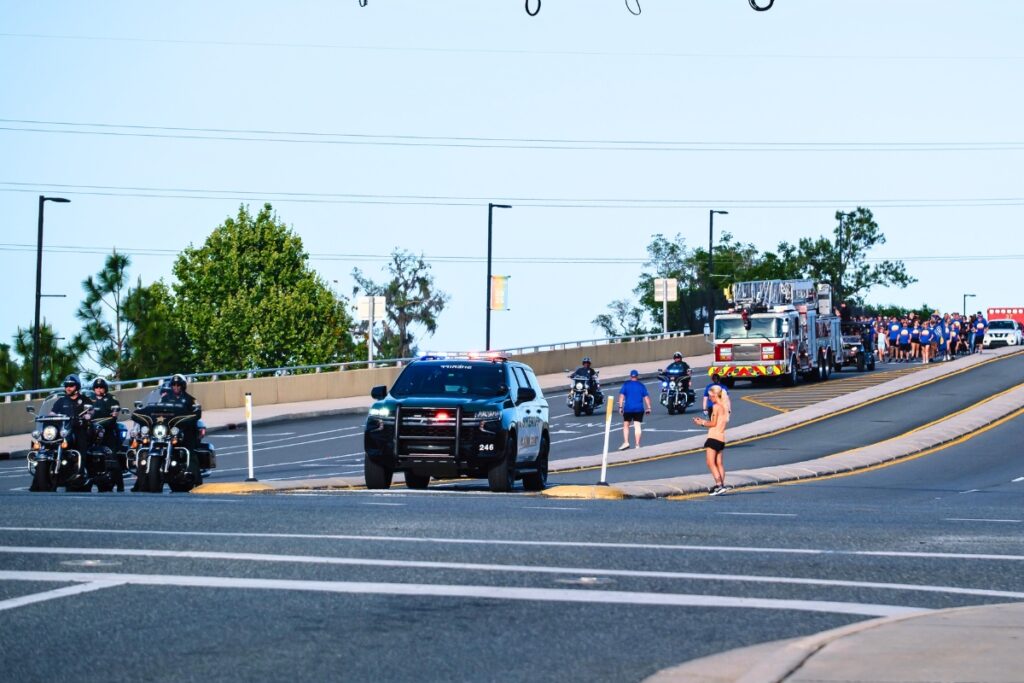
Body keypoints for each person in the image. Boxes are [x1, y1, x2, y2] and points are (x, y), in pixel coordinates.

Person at [694, 384, 729, 495]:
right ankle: (721, 485)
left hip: (713, 437)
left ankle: (719, 485)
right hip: (721, 438)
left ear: (715, 395)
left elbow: (713, 423)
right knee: (719, 463)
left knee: (710, 462)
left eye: (710, 396)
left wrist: (702, 422)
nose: (709, 398)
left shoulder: (716, 407)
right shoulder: (725, 406)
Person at [618, 369, 652, 450]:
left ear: (630, 376)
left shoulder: (626, 385)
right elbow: (646, 397)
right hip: (639, 409)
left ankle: (626, 442)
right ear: (637, 376)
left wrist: (620, 407)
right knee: (637, 426)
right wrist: (649, 408)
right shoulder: (641, 385)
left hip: (628, 408)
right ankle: (637, 445)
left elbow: (621, 396)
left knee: (626, 425)